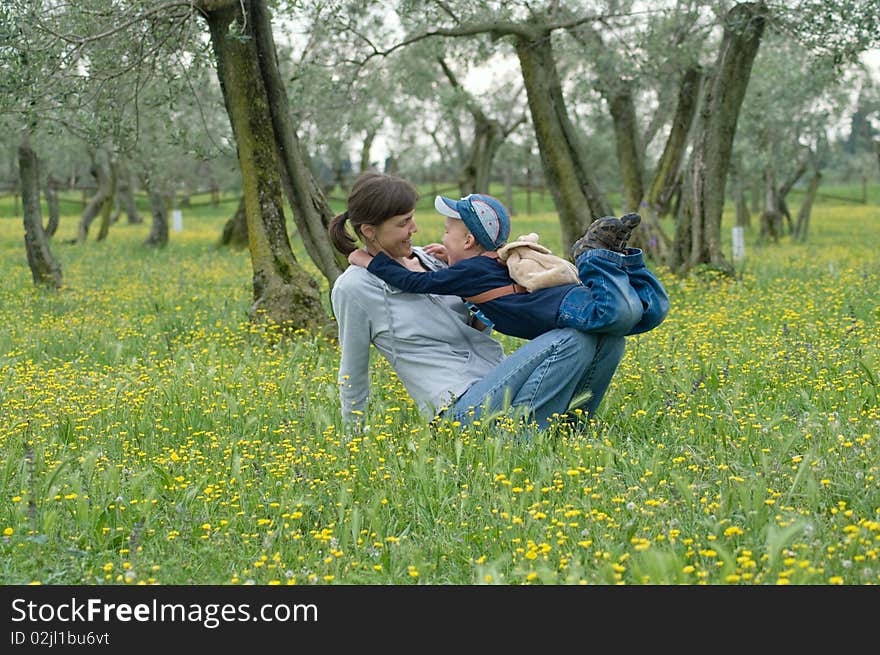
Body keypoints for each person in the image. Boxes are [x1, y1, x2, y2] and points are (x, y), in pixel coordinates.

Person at [328, 171, 627, 432]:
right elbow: (352, 372)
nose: (414, 228)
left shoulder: (433, 261)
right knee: (569, 340)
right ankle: (520, 439)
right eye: (404, 222)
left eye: (412, 217)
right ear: (369, 231)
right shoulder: (354, 288)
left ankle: (568, 431)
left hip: (494, 381)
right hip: (458, 409)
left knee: (609, 338)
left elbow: (477, 325)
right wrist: (355, 441)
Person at [347, 193, 669, 341]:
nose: (442, 238)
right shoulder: (489, 263)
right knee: (650, 313)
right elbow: (472, 278)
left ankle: (595, 256)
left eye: (448, 233)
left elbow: (412, 282)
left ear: (469, 240)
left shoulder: (467, 274)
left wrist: (368, 260)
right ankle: (624, 259)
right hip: (566, 298)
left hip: (563, 306)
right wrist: (449, 257)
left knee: (615, 315)